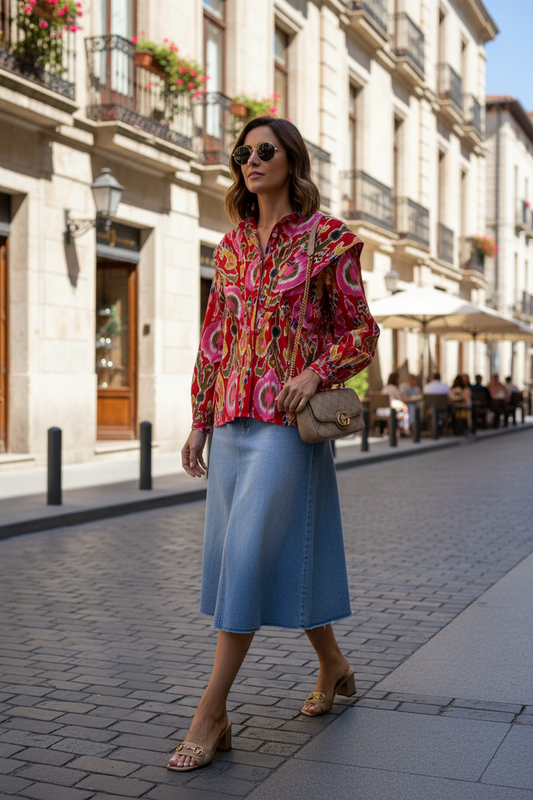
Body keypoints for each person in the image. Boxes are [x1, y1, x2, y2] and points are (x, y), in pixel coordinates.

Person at [168, 116, 379, 772]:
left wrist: (317, 370)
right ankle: (334, 664)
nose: (250, 161)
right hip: (232, 419)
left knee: (247, 554)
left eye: (264, 151)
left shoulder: (328, 240)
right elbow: (214, 338)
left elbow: (361, 332)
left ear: (291, 160)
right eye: (243, 153)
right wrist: (200, 415)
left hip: (289, 426)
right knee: (272, 551)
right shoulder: (229, 246)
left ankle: (212, 713)